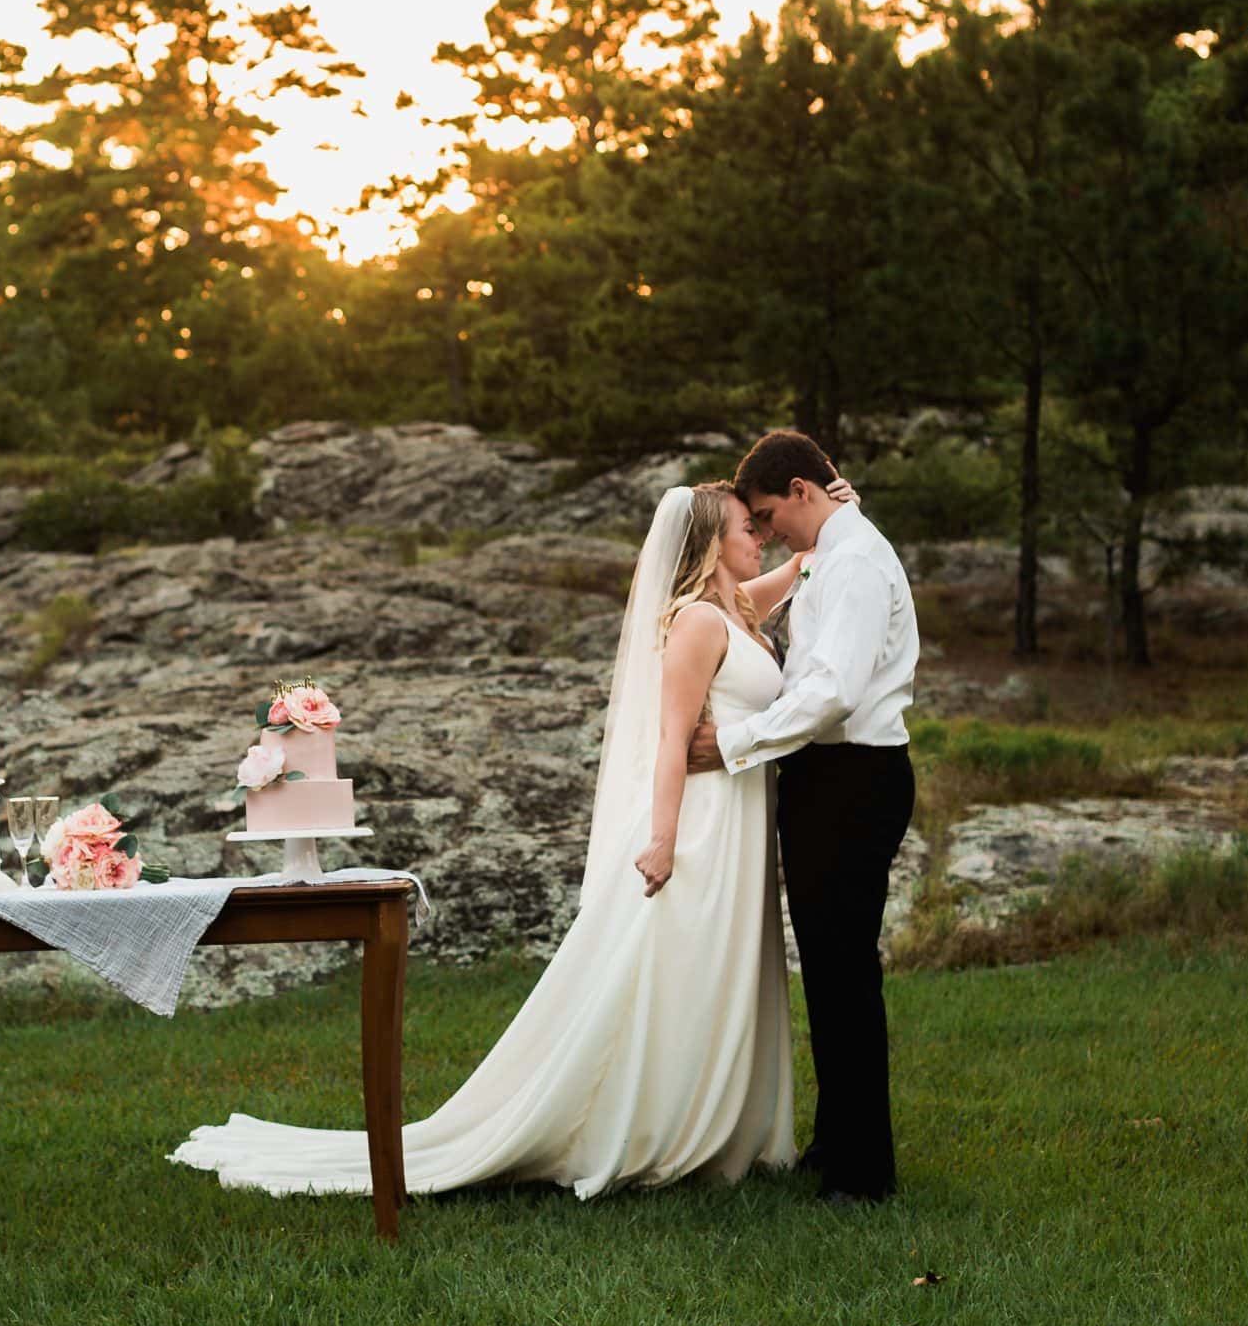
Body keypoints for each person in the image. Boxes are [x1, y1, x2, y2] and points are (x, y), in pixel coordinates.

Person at [171, 481, 821, 1198]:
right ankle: (652, 1125)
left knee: (710, 970)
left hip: (738, 822)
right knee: (676, 972)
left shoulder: (736, 609)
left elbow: (768, 586)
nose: (759, 534)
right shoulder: (699, 621)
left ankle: (718, 1120)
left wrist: (818, 543)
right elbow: (671, 741)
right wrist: (663, 838)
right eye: (744, 527)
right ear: (708, 541)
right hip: (702, 826)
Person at [687, 428, 919, 1204]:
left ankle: (864, 1173)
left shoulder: (852, 560)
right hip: (827, 778)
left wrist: (734, 744)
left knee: (846, 973)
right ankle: (839, 1140)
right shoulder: (834, 545)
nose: (762, 531)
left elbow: (833, 693)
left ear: (801, 492)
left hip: (853, 777)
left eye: (765, 513)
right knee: (825, 970)